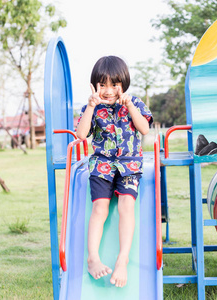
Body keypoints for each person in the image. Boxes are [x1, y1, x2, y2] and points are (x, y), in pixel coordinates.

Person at [76, 56, 153, 288]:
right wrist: (91, 106)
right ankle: (93, 257)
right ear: (95, 85)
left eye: (114, 84)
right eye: (102, 85)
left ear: (124, 83)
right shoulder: (92, 106)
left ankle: (123, 258)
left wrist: (129, 106)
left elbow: (144, 129)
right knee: (100, 208)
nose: (108, 90)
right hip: (102, 166)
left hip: (129, 166)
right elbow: (81, 134)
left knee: (126, 205)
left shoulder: (135, 103)